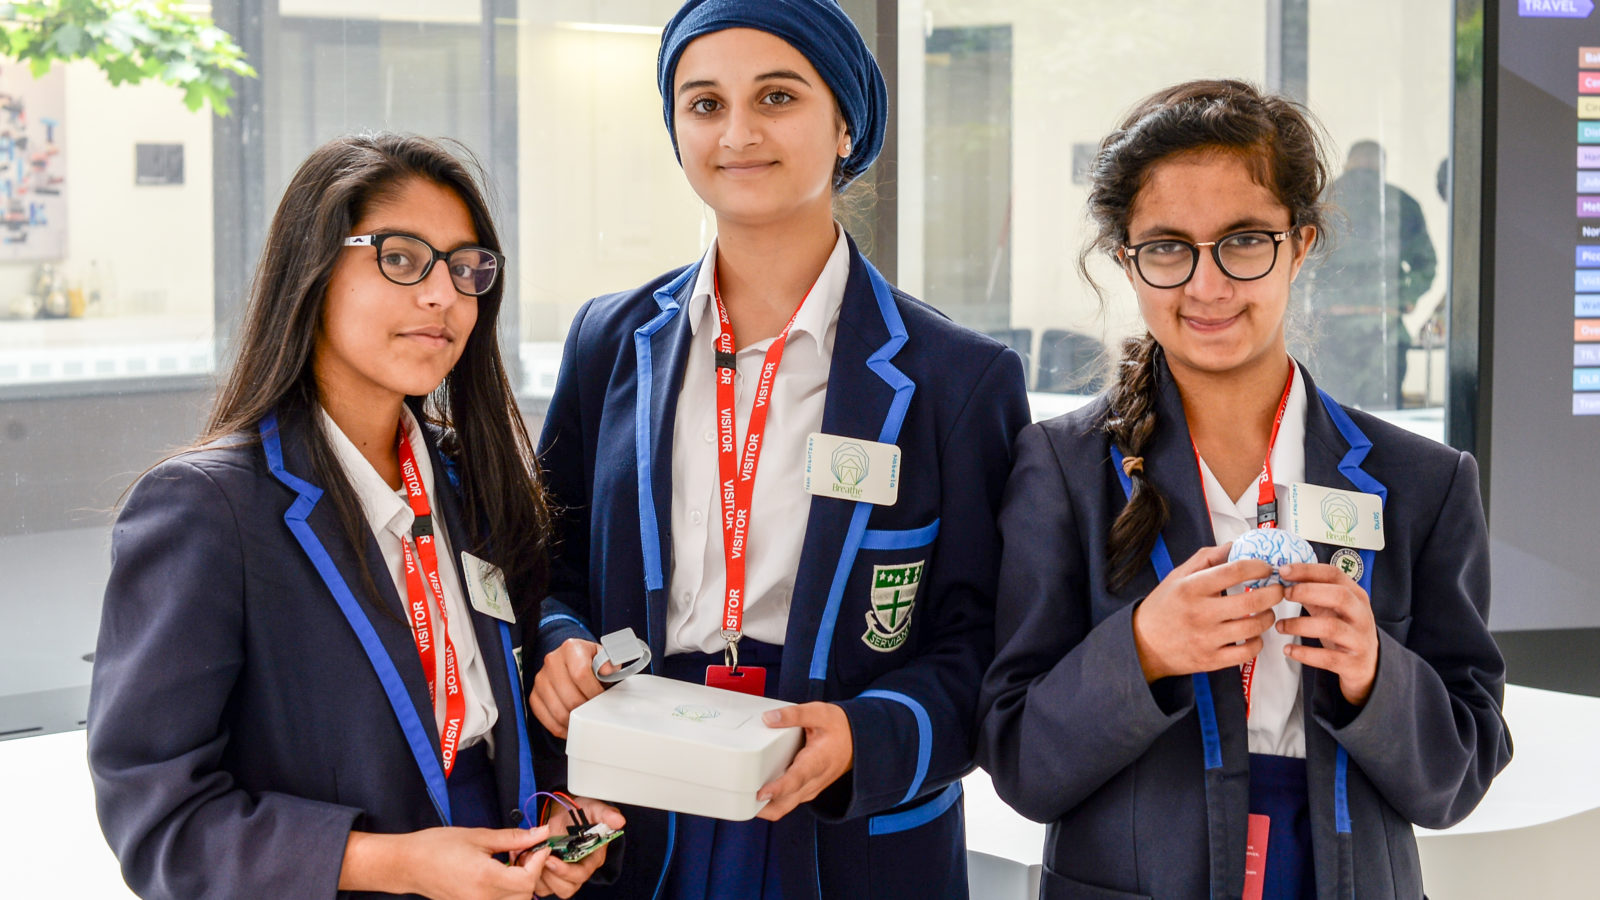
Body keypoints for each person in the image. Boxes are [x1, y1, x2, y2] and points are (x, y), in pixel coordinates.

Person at [529, 1, 1031, 897]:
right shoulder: (608, 341)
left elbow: (987, 637)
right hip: (639, 797)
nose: (739, 133)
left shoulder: (960, 378)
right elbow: (547, 563)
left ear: (845, 125)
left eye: (777, 96)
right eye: (705, 104)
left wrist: (867, 736)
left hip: (841, 815)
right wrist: (561, 645)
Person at [977, 81, 1510, 899]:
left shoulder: (1423, 484)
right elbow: (1018, 760)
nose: (1208, 285)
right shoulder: (1062, 469)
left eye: (1243, 242)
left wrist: (1375, 672)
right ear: (1126, 260)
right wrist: (1143, 650)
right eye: (1167, 247)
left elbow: (1460, 773)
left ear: (1300, 245)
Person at [87, 133, 621, 900]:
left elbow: (509, 701)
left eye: (466, 269)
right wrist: (392, 863)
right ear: (312, 268)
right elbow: (160, 818)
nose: (443, 296)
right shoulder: (207, 509)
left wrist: (567, 812)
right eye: (402, 258)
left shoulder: (473, 481)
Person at [1307, 140, 1438, 409]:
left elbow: (1297, 267)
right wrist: (1403, 296)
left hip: (1330, 331)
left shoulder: (1322, 201)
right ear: (1382, 167)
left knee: (1332, 425)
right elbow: (1426, 264)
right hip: (1384, 329)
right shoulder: (1403, 203)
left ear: (1347, 163)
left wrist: (1300, 318)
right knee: (1384, 427)